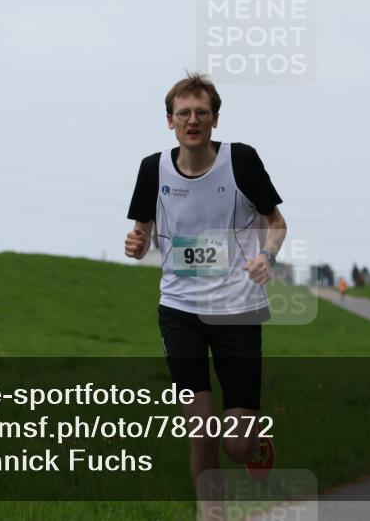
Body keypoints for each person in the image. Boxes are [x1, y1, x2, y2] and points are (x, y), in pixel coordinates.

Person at [124, 73, 286, 520]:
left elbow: (277, 223)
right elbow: (141, 233)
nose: (192, 120)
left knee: (236, 445)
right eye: (183, 113)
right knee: (202, 433)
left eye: (201, 113)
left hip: (238, 311)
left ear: (215, 119)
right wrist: (137, 244)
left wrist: (267, 256)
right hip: (180, 311)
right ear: (170, 121)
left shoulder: (242, 161)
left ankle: (256, 443)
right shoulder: (151, 168)